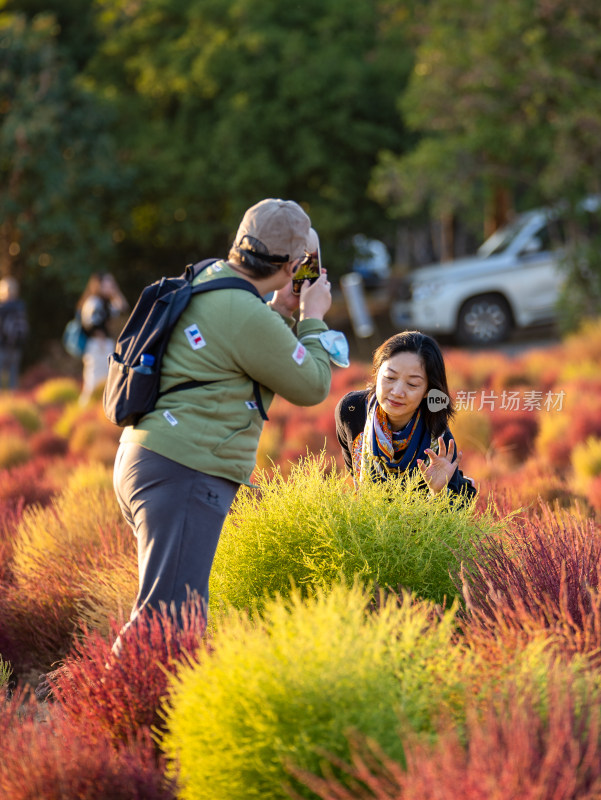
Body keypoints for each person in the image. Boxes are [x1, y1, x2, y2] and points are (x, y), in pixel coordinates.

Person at [112, 198, 333, 639]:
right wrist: (314, 318)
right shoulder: (243, 312)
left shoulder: (210, 278)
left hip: (150, 459)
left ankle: (148, 704)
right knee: (168, 623)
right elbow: (312, 384)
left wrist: (282, 310)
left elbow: (232, 341)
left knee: (173, 614)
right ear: (293, 265)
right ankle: (107, 706)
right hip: (185, 472)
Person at [335, 330, 476, 497]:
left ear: (427, 391)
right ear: (377, 372)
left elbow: (450, 514)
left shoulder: (438, 439)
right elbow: (356, 478)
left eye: (412, 384)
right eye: (390, 377)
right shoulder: (352, 411)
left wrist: (437, 491)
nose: (397, 392)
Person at [77, 273, 128, 405]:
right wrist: (99, 338)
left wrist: (115, 291)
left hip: (105, 344)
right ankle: (85, 409)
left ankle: (98, 408)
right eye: (107, 284)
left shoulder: (106, 303)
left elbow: (122, 308)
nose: (109, 286)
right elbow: (89, 323)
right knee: (93, 380)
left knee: (107, 379)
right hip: (96, 345)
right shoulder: (93, 302)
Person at [0, 276, 29, 390]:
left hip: (3, 346)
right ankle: (12, 402)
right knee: (13, 379)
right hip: (16, 346)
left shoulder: (2, 308)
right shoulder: (20, 307)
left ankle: (5, 403)